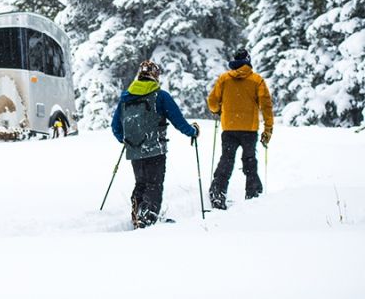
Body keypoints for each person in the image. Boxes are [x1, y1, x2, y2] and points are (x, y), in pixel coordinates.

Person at [111, 60, 199, 229]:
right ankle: (147, 219)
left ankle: (137, 215)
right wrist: (192, 132)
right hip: (155, 147)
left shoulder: (126, 98)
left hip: (134, 149)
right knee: (154, 184)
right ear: (155, 76)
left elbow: (115, 126)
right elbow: (177, 120)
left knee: (141, 183)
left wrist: (127, 140)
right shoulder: (160, 96)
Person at [207, 48, 274, 210]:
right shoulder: (257, 80)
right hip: (249, 130)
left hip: (229, 127)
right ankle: (253, 194)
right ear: (248, 60)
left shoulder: (224, 79)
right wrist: (268, 129)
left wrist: (217, 111)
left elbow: (212, 101)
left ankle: (217, 194)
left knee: (226, 160)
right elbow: (266, 106)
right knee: (249, 161)